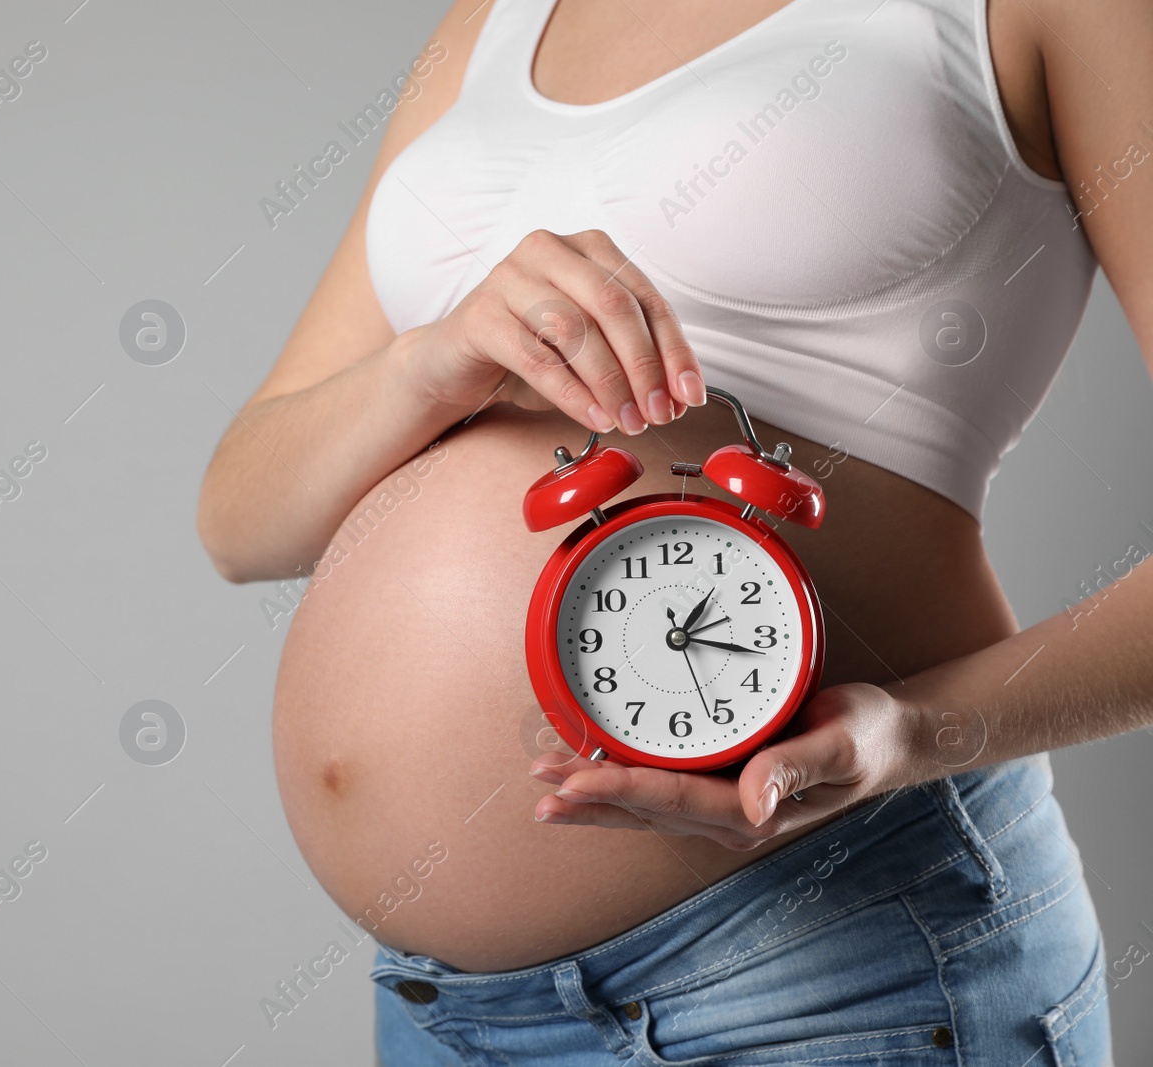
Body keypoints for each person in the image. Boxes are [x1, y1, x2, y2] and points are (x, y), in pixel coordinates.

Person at [198, 0, 1151, 1062]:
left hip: (823, 962)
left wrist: (909, 735)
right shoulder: (494, 19)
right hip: (445, 1012)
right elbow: (241, 515)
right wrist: (427, 364)